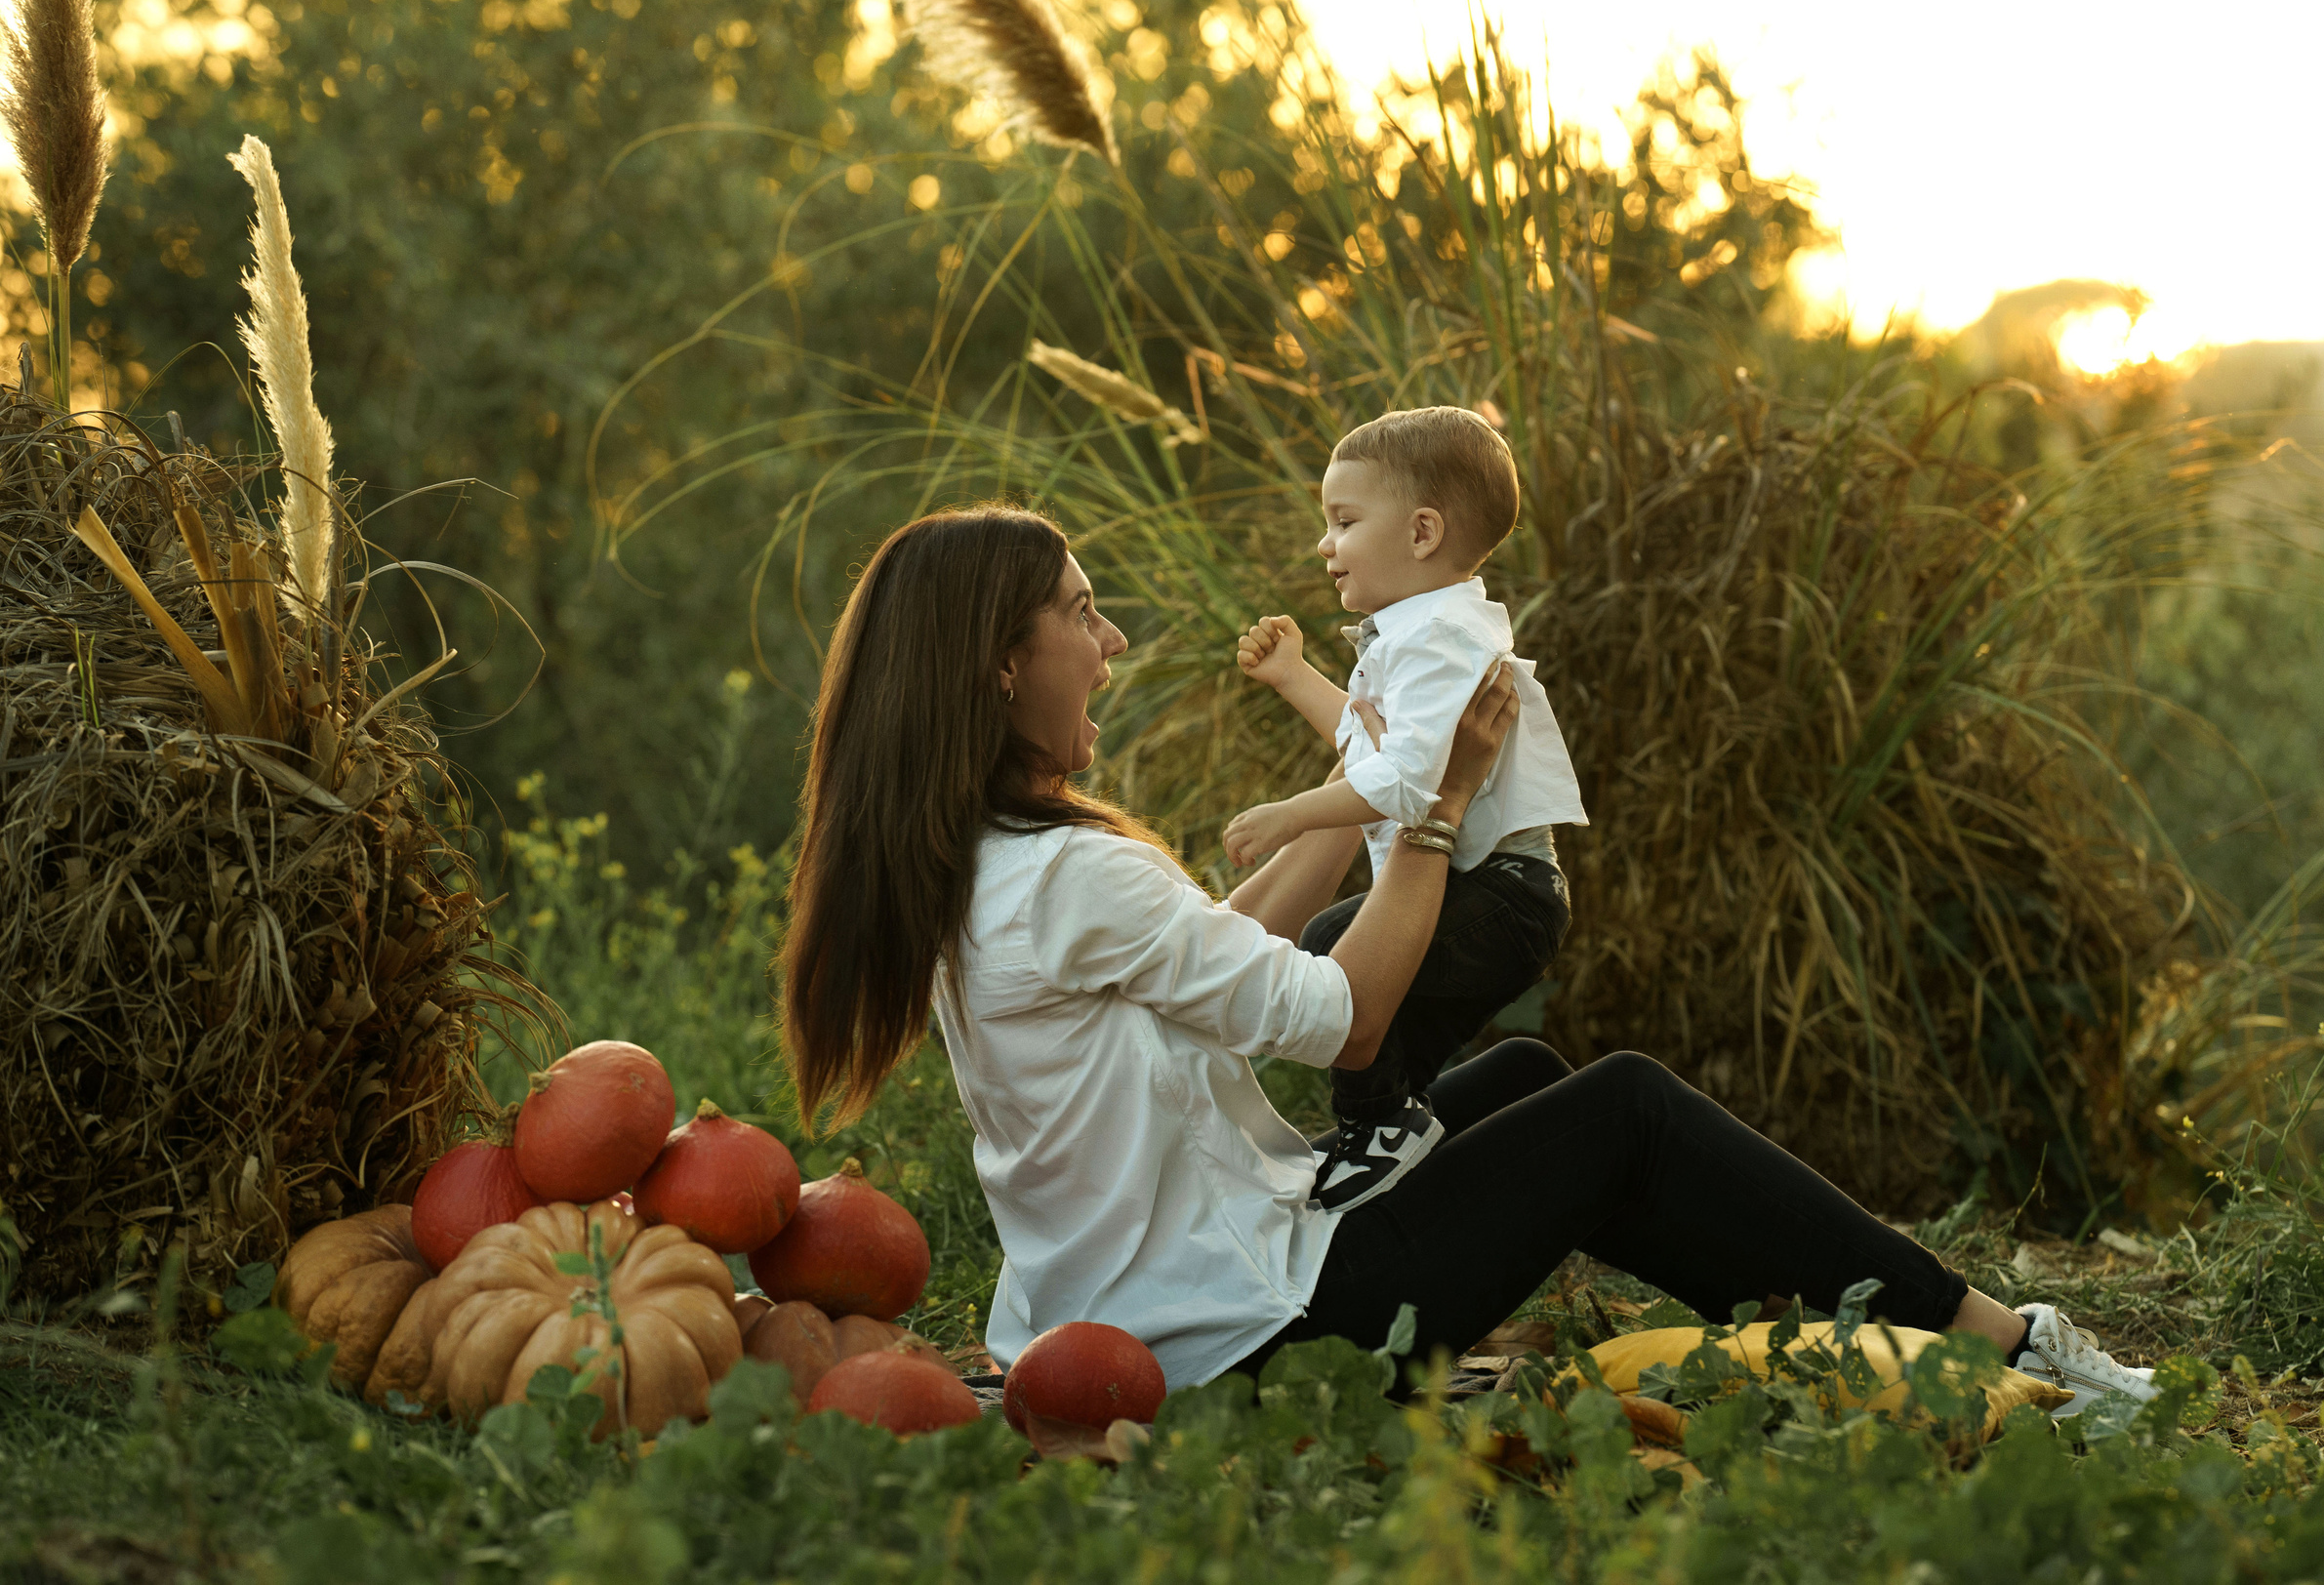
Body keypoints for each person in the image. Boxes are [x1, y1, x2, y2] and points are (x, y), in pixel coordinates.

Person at [776, 503, 2155, 1416]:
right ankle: (2007, 1343)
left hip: (1139, 1304)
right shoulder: (1067, 870)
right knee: (1620, 1107)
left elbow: (1219, 955)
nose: (1113, 637)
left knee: (1524, 1076)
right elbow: (1346, 1012)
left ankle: (1852, 1342)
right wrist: (1435, 807)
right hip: (1251, 1335)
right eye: (1082, 610)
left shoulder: (980, 863)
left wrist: (1366, 785)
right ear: (998, 664)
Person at [1225, 405, 1584, 1213]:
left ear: (1423, 532)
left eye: (1344, 521)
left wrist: (1293, 813)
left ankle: (1381, 1129)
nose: (1326, 544)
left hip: (1503, 891)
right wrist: (1295, 676)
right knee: (1380, 1024)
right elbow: (1375, 754)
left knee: (1331, 945)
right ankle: (1399, 1149)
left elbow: (1408, 787)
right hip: (1488, 889)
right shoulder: (1413, 635)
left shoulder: (1441, 637)